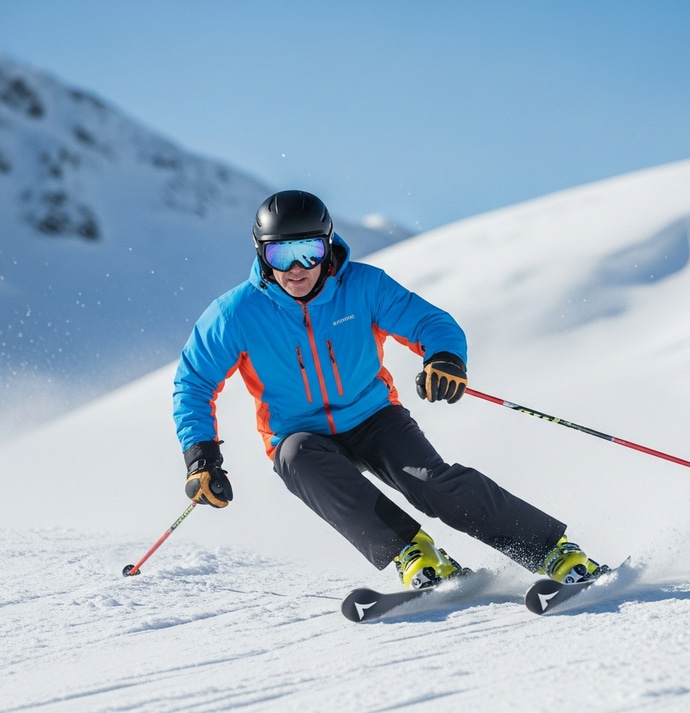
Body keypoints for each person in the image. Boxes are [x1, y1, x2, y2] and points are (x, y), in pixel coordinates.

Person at [173, 190, 604, 589]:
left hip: (374, 417)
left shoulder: (363, 287)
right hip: (299, 433)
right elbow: (194, 381)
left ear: (328, 247)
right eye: (281, 254)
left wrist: (444, 357)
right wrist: (201, 457)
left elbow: (429, 322)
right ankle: (414, 554)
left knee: (430, 483)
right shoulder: (236, 314)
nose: (297, 268)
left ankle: (551, 550)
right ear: (262, 256)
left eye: (309, 251)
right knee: (295, 458)